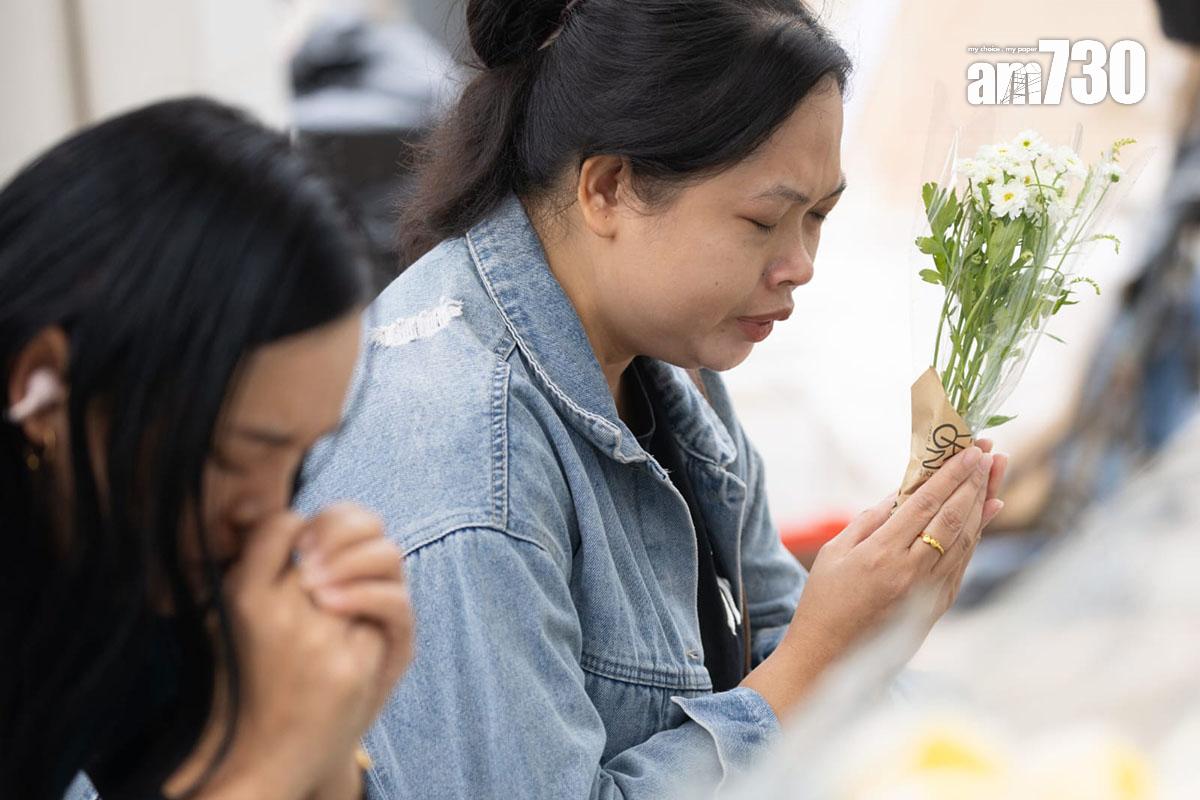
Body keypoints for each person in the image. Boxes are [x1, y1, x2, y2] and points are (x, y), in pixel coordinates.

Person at [297, 0, 1008, 796]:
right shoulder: (465, 469)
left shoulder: (665, 355)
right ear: (608, 188)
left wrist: (871, 624)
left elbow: (768, 626)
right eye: (765, 219)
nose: (800, 262)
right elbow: (795, 665)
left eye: (819, 217)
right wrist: (823, 658)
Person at [0, 98, 413, 800]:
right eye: (231, 455)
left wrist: (332, 754)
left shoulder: (155, 587)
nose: (270, 518)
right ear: (44, 388)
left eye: (300, 459)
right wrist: (269, 763)